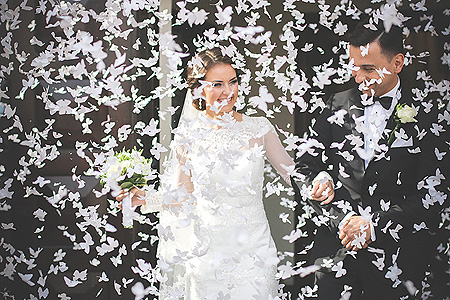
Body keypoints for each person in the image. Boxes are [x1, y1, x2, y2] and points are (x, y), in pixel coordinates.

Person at [116, 48, 295, 299]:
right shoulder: (188, 137)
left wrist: (320, 183)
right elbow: (182, 196)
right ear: (199, 90)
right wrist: (147, 199)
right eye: (218, 84)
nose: (229, 91)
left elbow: (292, 173)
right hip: (206, 254)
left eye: (233, 82)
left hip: (254, 252)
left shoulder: (260, 128)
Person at [291, 17, 449, 299]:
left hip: (397, 258)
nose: (358, 76)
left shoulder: (428, 115)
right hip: (335, 253)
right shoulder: (334, 105)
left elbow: (435, 192)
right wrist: (323, 182)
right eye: (354, 66)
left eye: (368, 68)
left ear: (397, 64)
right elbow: (304, 166)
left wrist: (374, 224)